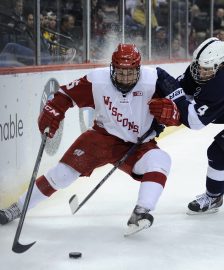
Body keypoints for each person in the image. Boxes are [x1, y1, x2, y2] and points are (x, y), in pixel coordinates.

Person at [0, 44, 171, 235]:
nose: (124, 77)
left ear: (138, 69)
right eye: (120, 72)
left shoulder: (154, 81)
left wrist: (171, 115)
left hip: (138, 144)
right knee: (62, 174)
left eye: (130, 72)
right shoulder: (97, 80)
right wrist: (53, 109)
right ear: (112, 68)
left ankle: (141, 212)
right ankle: (18, 207)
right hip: (101, 139)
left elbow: (181, 108)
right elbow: (65, 95)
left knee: (160, 160)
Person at [149, 37, 224, 214]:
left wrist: (174, 96)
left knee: (219, 153)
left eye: (205, 70)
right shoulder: (206, 67)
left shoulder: (223, 83)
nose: (199, 72)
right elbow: (183, 89)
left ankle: (214, 197)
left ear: (220, 66)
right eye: (197, 66)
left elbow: (195, 121)